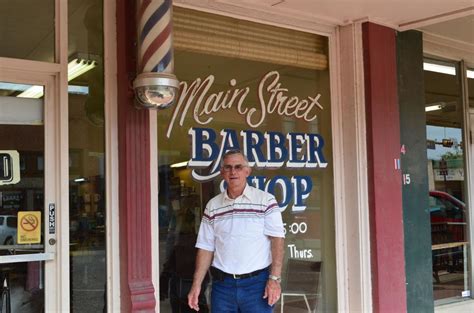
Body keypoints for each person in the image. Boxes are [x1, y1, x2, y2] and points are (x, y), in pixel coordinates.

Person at [188, 149, 285, 312]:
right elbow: (205, 247)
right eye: (228, 167)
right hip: (222, 287)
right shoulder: (213, 206)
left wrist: (274, 279)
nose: (233, 171)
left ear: (247, 171)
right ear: (222, 172)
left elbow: (278, 240)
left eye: (238, 167)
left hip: (257, 286)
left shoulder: (265, 201)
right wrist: (196, 285)